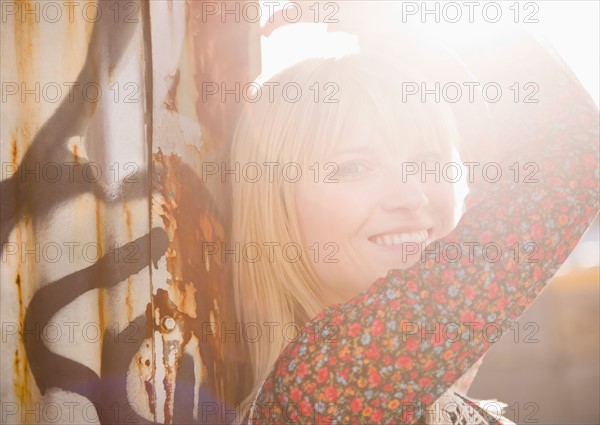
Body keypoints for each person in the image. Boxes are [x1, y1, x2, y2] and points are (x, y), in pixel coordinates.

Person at [226, 29, 599, 424]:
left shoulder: (400, 374)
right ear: (276, 205)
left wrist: (394, 33)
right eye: (354, 167)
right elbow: (569, 164)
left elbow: (506, 176)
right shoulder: (329, 381)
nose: (413, 195)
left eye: (427, 162)